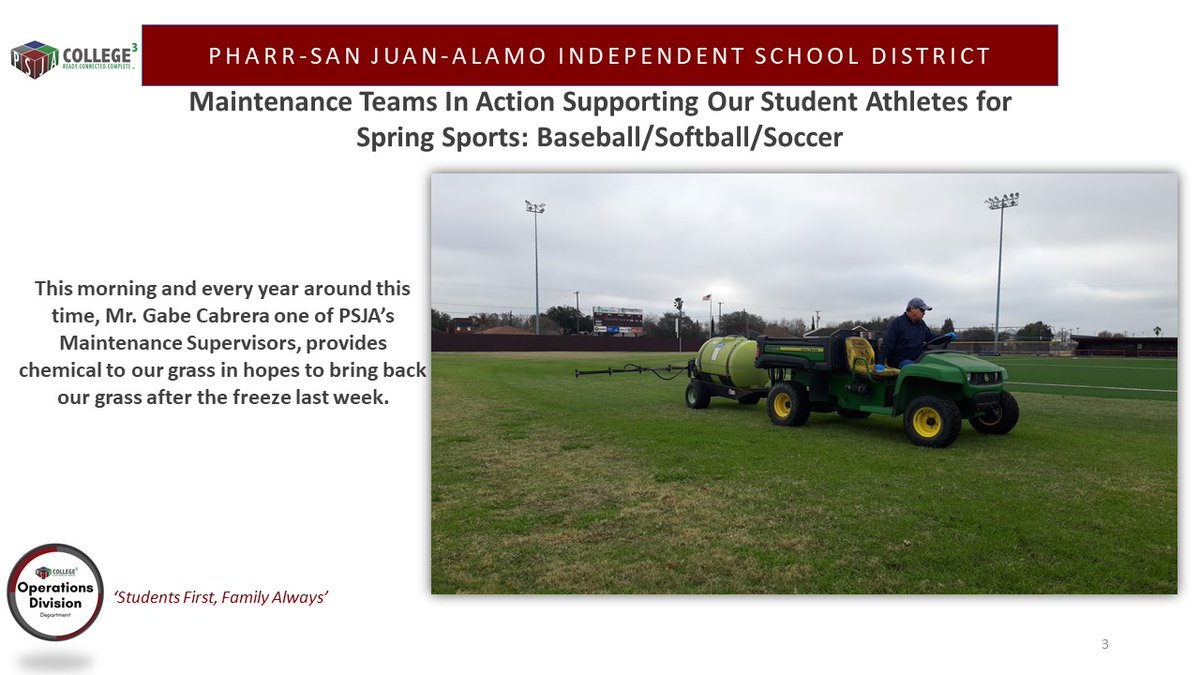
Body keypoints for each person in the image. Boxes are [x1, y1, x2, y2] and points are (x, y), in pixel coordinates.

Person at [875, 297, 956, 370]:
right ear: (912, 308)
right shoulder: (897, 323)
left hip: (918, 358)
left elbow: (931, 338)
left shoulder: (921, 324)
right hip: (899, 360)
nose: (924, 313)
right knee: (916, 370)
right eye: (922, 310)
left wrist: (945, 337)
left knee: (940, 366)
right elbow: (887, 344)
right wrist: (880, 362)